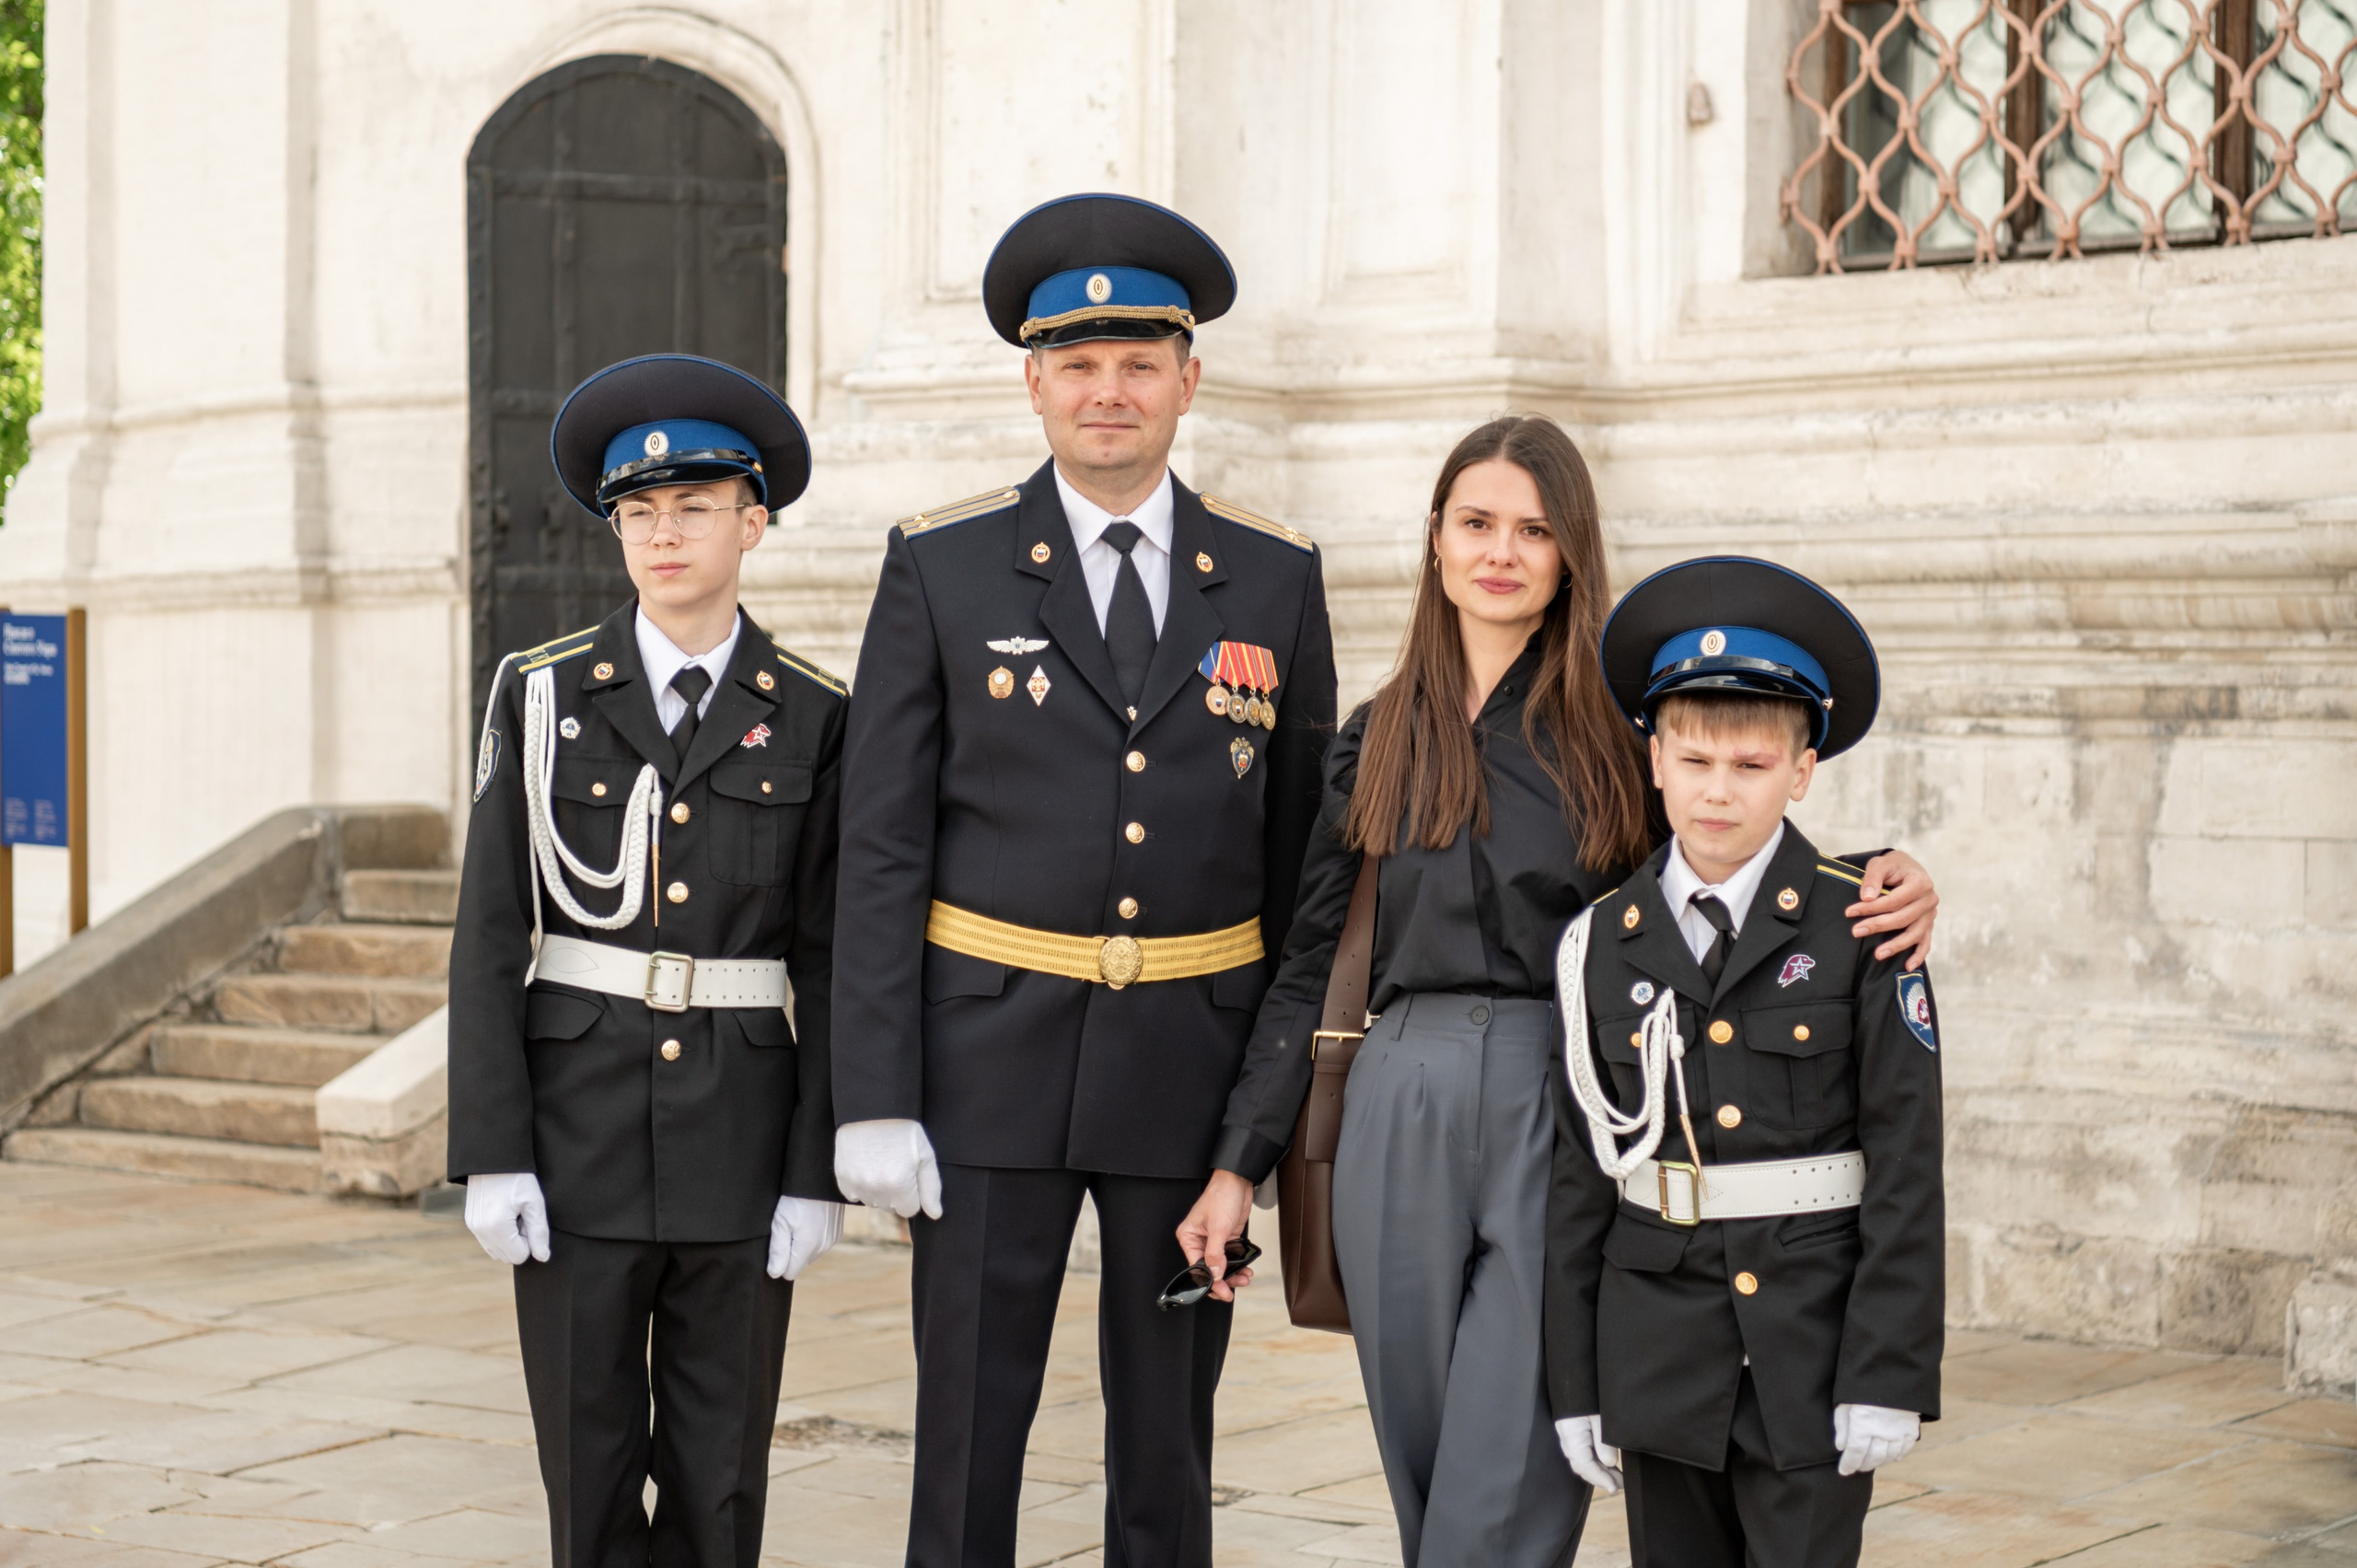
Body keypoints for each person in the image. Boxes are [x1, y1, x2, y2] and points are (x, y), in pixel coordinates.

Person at [1180, 419, 1940, 1568]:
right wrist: (1240, 1162)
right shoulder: (1376, 736)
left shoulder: (1611, 730)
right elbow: (1309, 956)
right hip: (1399, 1094)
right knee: (1423, 1460)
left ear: (1572, 551)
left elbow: (1729, 850)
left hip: (1568, 1101)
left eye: (1534, 529)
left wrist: (1884, 872)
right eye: (1476, 523)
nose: (1502, 551)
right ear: (1434, 539)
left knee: (1511, 1463)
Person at [828, 193, 1337, 1568]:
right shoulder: (942, 563)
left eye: (1138, 362)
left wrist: (1261, 1120)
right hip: (985, 1061)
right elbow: (880, 842)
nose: (1108, 391)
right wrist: (873, 1089)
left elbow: (1301, 873)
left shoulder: (1277, 579)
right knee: (969, 1425)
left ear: (1188, 376)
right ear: (1034, 379)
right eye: (1078, 362)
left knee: (1169, 1438)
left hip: (1187, 1066)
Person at [446, 354, 849, 1568]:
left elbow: (833, 956)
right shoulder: (542, 692)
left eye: (694, 507)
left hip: (740, 1127)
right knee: (588, 1455)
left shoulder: (820, 711)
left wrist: (814, 1165)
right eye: (639, 511)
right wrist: (493, 1149)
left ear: (753, 519)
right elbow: (486, 933)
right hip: (577, 1135)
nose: (663, 534)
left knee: (723, 1473)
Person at [1544, 555, 1945, 1568]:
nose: (1717, 790)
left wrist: (1888, 1367)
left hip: (1807, 1350)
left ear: (1801, 770)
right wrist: (1575, 1381)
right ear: (1654, 760)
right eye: (1694, 759)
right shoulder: (1602, 941)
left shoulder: (1862, 922)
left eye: (1751, 765)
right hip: (1656, 1344)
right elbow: (1579, 1176)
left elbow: (1905, 1160)